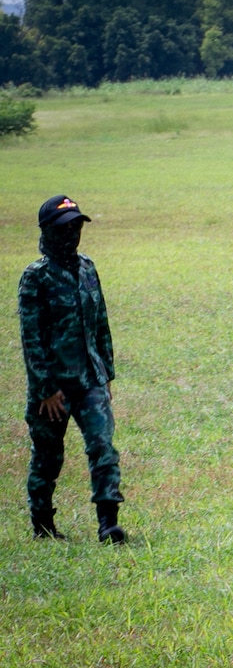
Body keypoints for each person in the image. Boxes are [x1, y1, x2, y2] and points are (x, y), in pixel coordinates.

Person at [18, 195, 126, 544]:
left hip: (90, 380)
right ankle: (43, 525)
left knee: (103, 448)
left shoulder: (87, 268)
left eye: (78, 225)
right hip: (53, 388)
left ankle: (108, 524)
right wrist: (45, 389)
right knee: (48, 458)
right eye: (66, 227)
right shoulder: (36, 277)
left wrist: (105, 373)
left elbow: (101, 324)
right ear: (49, 231)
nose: (74, 232)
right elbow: (31, 338)